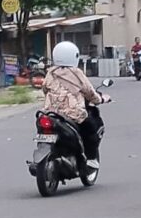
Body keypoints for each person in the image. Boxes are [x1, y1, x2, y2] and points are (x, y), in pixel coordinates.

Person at [42, 39, 104, 168]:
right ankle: (91, 158)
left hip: (50, 113)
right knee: (92, 129)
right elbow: (89, 92)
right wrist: (100, 99)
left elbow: (45, 89)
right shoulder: (76, 73)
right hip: (72, 115)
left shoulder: (50, 72)